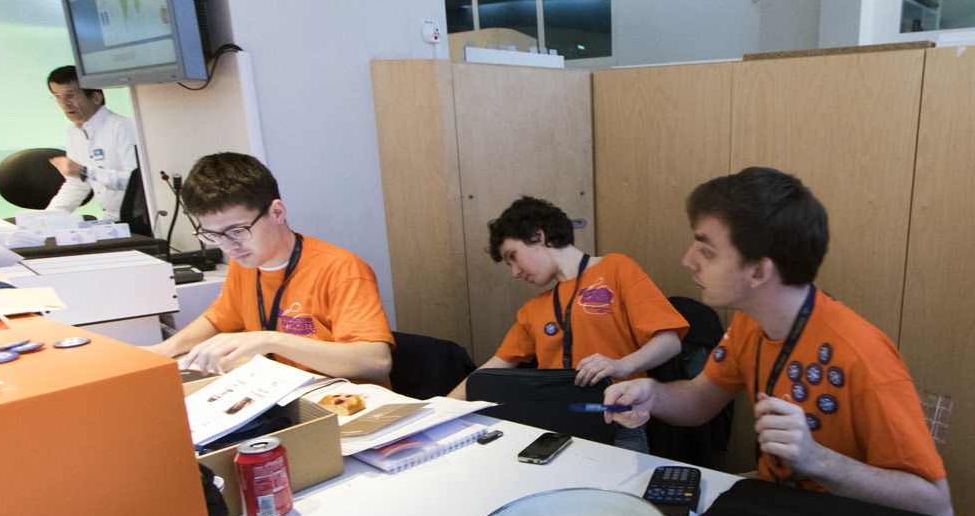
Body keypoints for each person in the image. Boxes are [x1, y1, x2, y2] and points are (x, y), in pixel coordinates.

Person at [604, 167, 952, 516]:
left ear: (758, 271)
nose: (688, 261)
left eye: (707, 252)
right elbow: (700, 400)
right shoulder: (750, 322)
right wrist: (651, 393)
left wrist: (819, 460)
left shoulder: (862, 354)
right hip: (778, 508)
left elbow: (937, 505)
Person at [449, 196, 687, 451]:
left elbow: (669, 341)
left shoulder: (616, 268)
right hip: (553, 428)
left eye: (513, 257)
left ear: (538, 236)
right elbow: (491, 369)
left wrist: (621, 365)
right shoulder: (533, 309)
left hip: (616, 424)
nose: (515, 272)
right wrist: (439, 409)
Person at [148, 152, 394, 383]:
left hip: (342, 400)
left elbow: (376, 362)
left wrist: (272, 341)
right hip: (279, 390)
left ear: (277, 212)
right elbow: (218, 320)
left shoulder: (341, 269)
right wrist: (163, 350)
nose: (228, 246)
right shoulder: (244, 263)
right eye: (213, 235)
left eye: (237, 231)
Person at [44, 65, 140, 223]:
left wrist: (86, 172)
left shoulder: (123, 127)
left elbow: (137, 183)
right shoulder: (74, 132)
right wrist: (44, 219)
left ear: (96, 97)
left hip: (138, 223)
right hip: (109, 222)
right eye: (58, 96)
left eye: (71, 95)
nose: (64, 103)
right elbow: (77, 184)